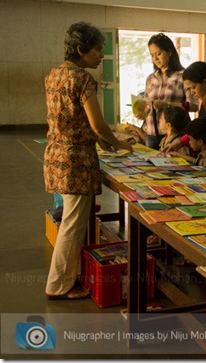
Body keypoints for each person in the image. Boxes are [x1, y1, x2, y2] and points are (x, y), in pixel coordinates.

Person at [43, 21, 133, 299]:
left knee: (72, 222)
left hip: (57, 154)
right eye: (97, 49)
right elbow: (97, 124)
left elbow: (75, 121)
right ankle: (58, 285)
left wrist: (104, 141)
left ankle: (65, 279)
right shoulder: (82, 79)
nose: (101, 56)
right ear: (81, 50)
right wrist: (116, 143)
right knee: (72, 225)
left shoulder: (54, 75)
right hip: (76, 160)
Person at [143, 33, 197, 149]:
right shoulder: (151, 79)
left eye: (158, 54)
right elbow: (147, 107)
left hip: (174, 135)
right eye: (152, 55)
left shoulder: (183, 76)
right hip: (151, 134)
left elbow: (194, 106)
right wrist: (141, 111)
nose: (155, 59)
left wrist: (167, 104)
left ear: (170, 52)